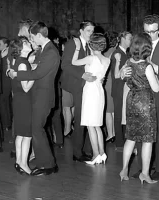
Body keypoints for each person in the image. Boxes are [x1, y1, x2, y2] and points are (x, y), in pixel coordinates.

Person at [121, 14, 159, 180]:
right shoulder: (136, 45)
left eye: (153, 31)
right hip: (139, 99)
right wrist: (123, 73)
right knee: (139, 135)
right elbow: (128, 68)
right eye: (146, 31)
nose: (149, 34)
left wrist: (155, 67)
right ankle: (142, 169)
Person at [8, 21, 60, 176]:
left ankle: (48, 165)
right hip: (38, 96)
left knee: (37, 129)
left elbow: (37, 74)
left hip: (43, 96)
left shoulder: (50, 51)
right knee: (36, 129)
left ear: (38, 35)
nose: (30, 40)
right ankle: (45, 163)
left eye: (31, 36)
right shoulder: (45, 49)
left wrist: (16, 74)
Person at [119, 33, 159, 184]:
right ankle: (145, 174)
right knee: (147, 140)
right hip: (145, 101)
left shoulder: (128, 63)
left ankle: (123, 170)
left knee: (131, 137)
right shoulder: (146, 66)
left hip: (131, 99)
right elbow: (155, 88)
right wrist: (156, 77)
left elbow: (122, 76)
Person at [72, 33, 110, 164]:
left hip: (90, 90)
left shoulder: (90, 58)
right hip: (99, 89)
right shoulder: (107, 60)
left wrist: (77, 48)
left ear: (90, 44)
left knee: (90, 125)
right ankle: (102, 153)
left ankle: (95, 155)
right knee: (97, 125)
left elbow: (73, 62)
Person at [61, 20, 96, 163]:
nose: (91, 34)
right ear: (81, 31)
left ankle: (85, 149)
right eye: (88, 31)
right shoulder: (72, 44)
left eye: (93, 31)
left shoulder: (90, 45)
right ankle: (77, 152)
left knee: (86, 117)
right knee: (81, 117)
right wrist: (82, 75)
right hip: (77, 84)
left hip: (87, 85)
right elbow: (65, 65)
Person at [10, 36, 34, 175]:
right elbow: (26, 87)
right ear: (20, 48)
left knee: (20, 134)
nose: (29, 43)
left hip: (19, 100)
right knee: (27, 134)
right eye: (26, 42)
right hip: (25, 100)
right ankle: (24, 163)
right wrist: (35, 76)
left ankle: (19, 162)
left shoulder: (19, 62)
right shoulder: (23, 63)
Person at [110, 31, 132, 151]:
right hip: (119, 89)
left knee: (122, 115)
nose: (131, 40)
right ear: (122, 38)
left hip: (124, 88)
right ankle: (119, 143)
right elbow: (116, 76)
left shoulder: (124, 53)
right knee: (118, 115)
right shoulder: (117, 54)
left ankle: (122, 141)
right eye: (129, 38)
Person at [103, 31, 118, 143]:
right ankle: (114, 133)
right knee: (112, 110)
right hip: (114, 82)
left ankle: (110, 134)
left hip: (107, 82)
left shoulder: (104, 53)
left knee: (108, 111)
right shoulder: (116, 52)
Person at [0, 37, 12, 132]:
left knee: (4, 102)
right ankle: (7, 123)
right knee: (5, 102)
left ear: (6, 45)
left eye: (0, 44)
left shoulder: (7, 55)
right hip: (2, 81)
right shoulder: (0, 54)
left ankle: (7, 123)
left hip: (6, 82)